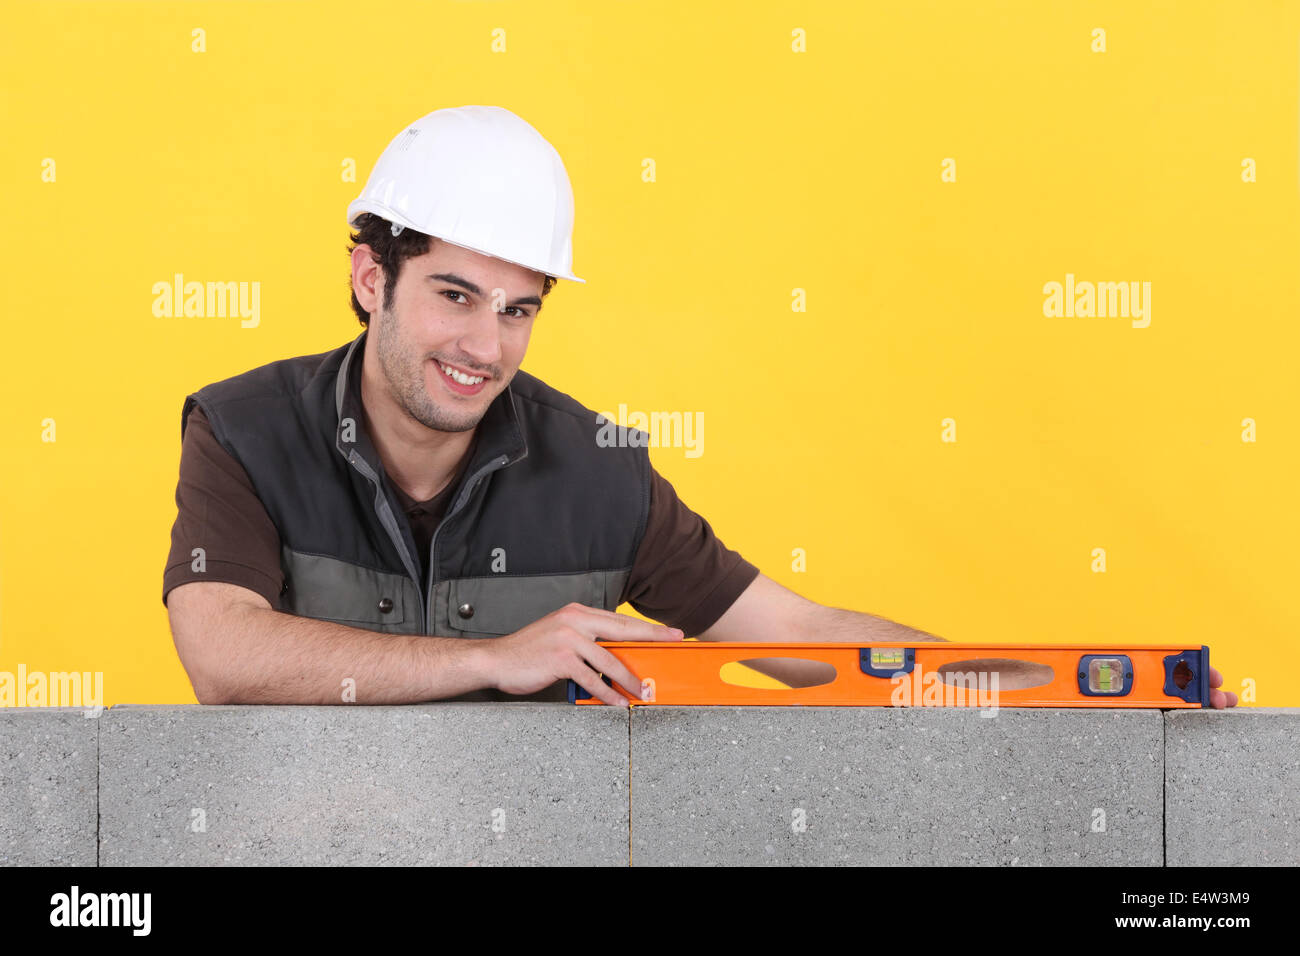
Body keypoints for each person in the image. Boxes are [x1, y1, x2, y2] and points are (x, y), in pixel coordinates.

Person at [162, 105, 1237, 710]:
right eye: (454, 295)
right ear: (369, 278)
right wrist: (492, 655)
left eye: (519, 309)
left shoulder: (595, 471)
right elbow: (223, 648)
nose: (485, 347)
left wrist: (1095, 699)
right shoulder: (247, 429)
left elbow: (804, 636)